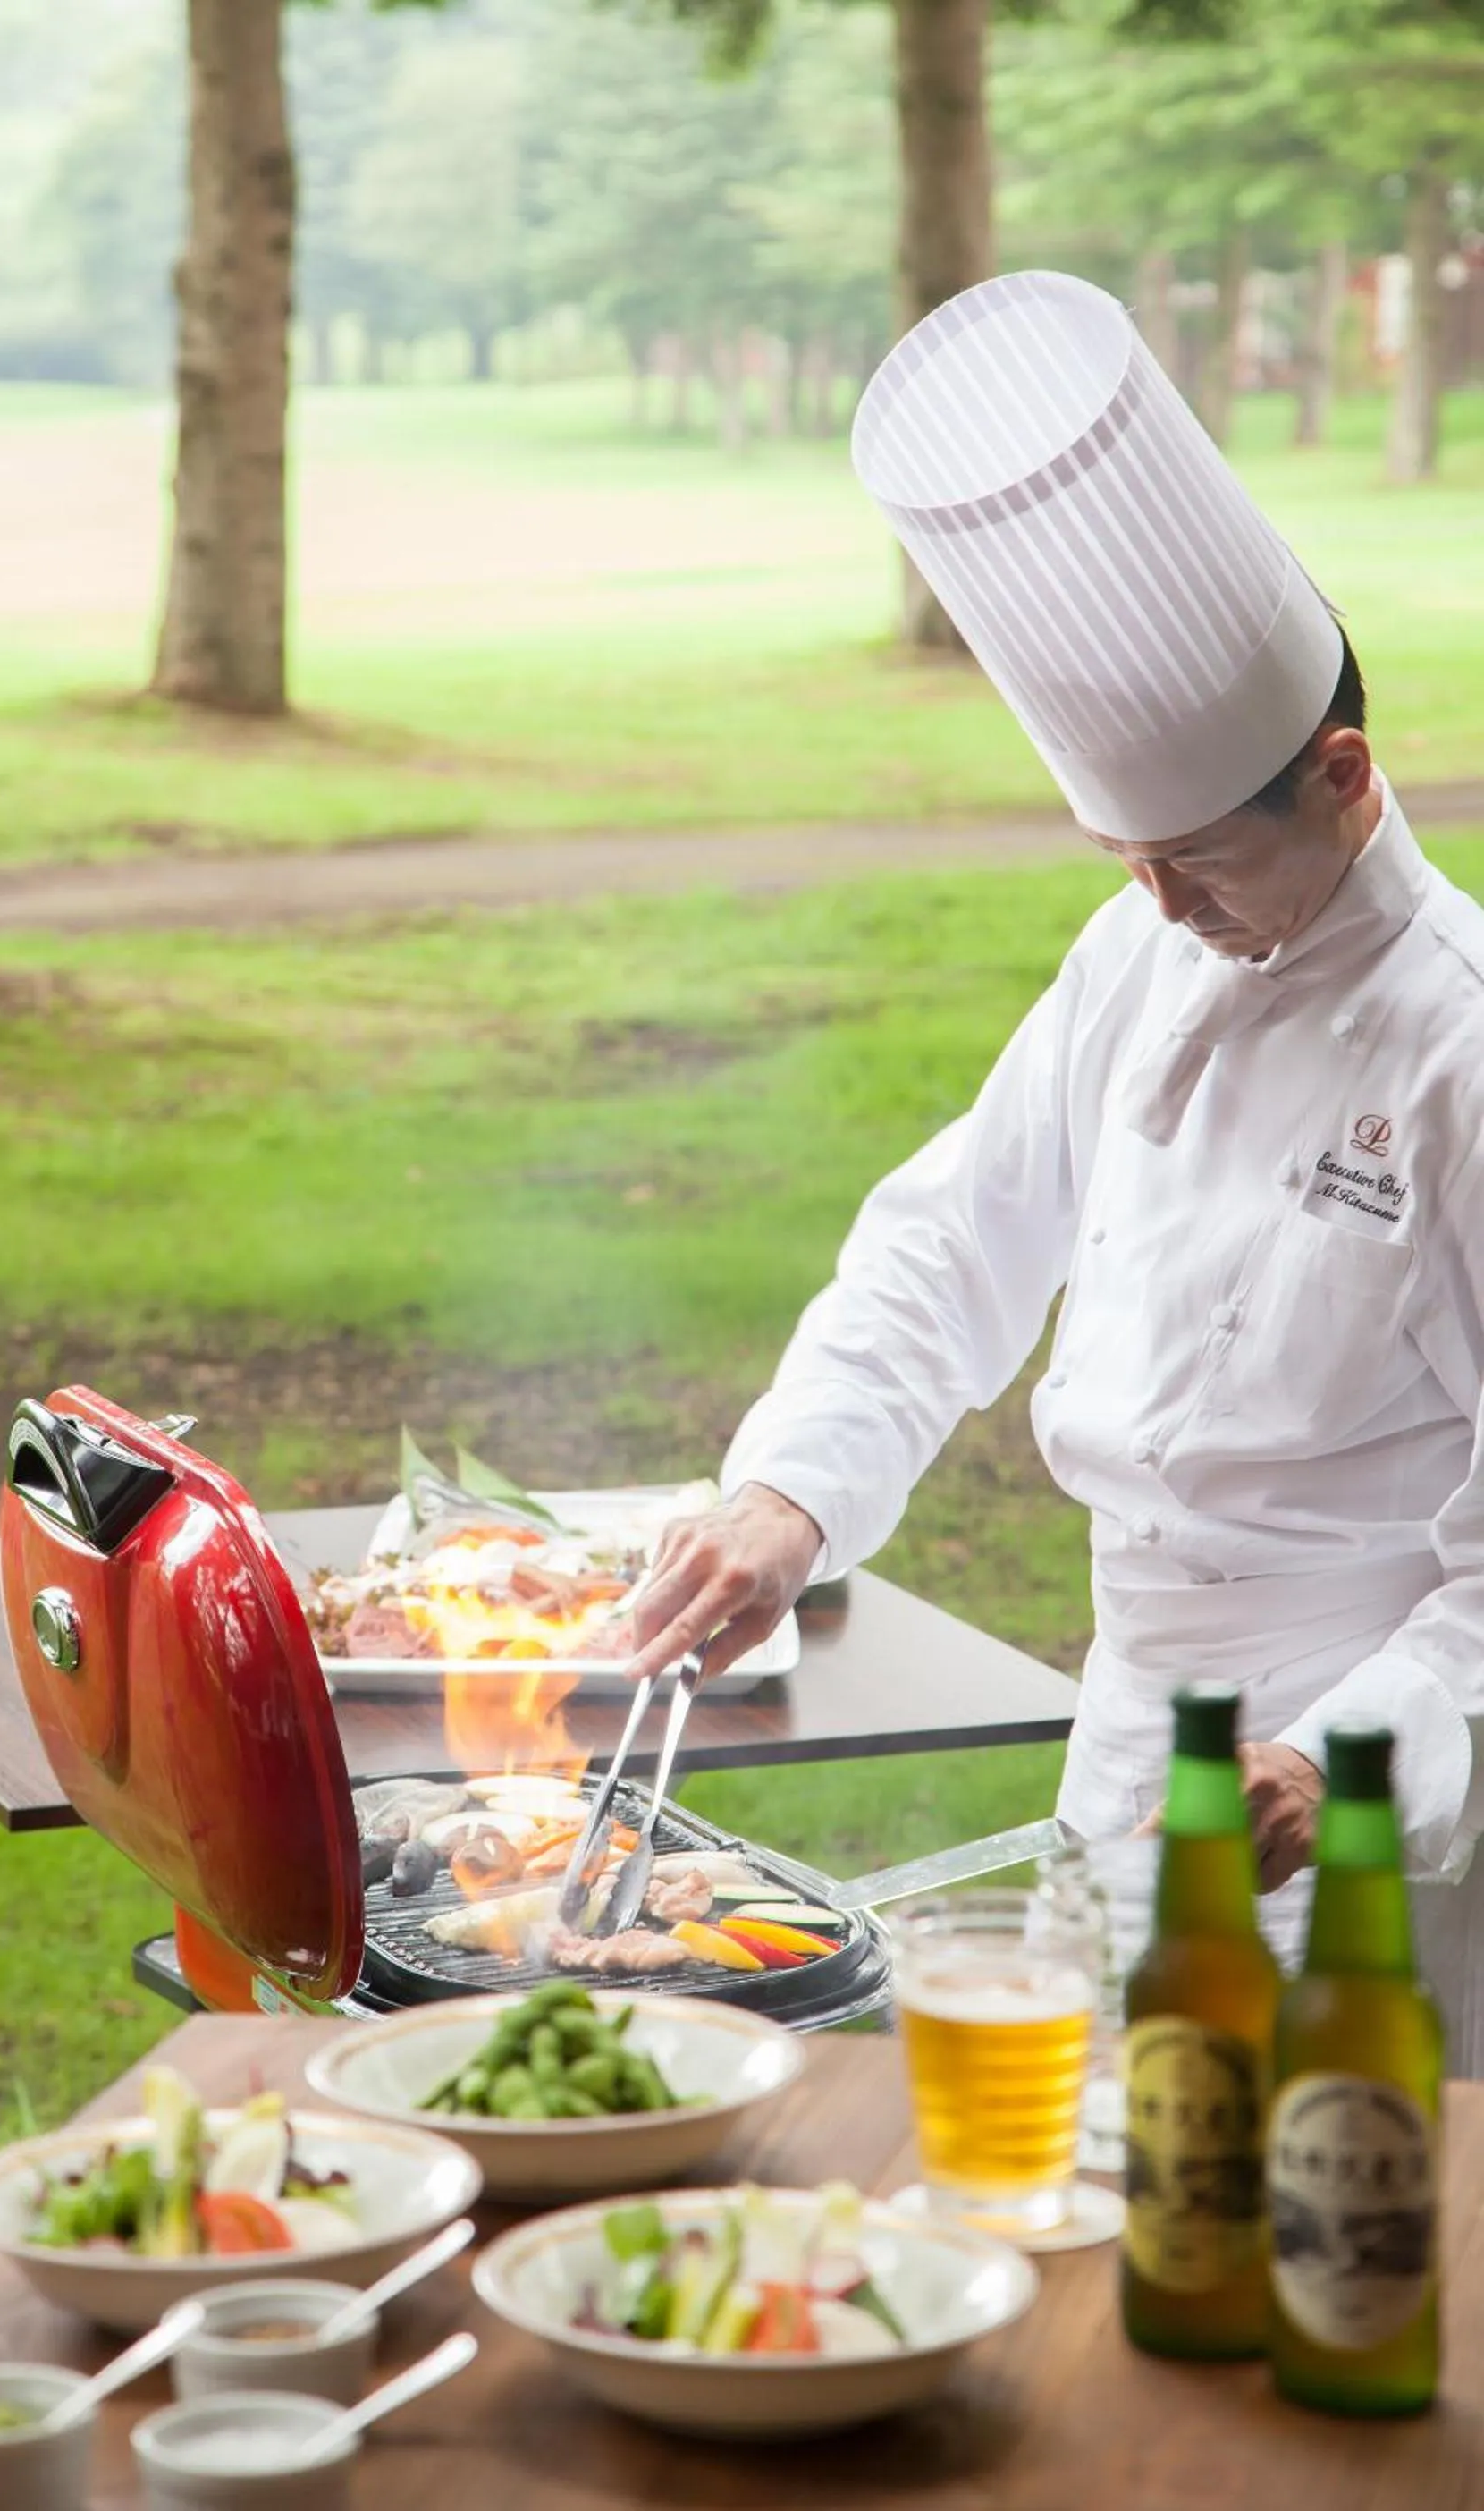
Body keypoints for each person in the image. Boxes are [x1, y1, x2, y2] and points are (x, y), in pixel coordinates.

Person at [627, 271, 1484, 2067]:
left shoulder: (1462, 1049)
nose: (1157, 911)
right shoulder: (1140, 949)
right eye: (1124, 859)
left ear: (1342, 778)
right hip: (1128, 1731)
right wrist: (791, 1492)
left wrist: (1327, 1768)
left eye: (1194, 866)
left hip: (1360, 1801)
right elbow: (953, 1245)